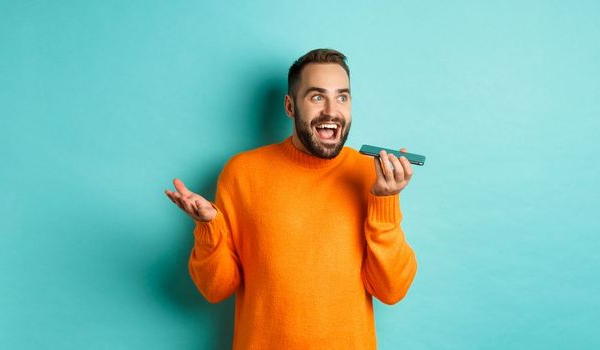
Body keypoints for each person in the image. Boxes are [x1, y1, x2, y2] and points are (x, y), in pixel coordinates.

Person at [164, 48, 418, 349]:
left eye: (342, 97)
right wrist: (208, 227)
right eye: (316, 97)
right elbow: (216, 289)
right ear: (289, 106)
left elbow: (391, 290)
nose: (331, 111)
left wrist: (385, 201)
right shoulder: (241, 173)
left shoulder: (370, 175)